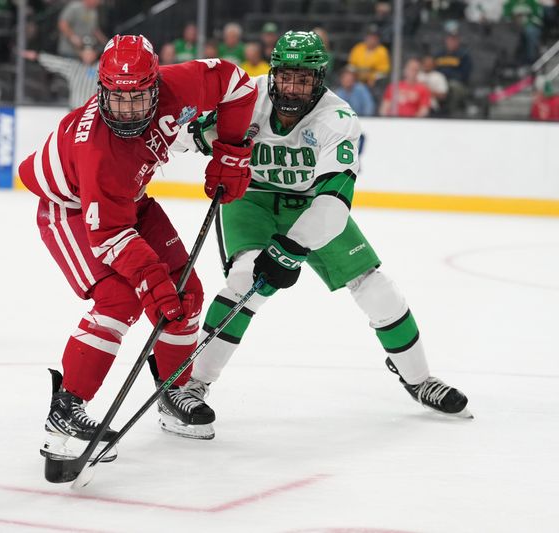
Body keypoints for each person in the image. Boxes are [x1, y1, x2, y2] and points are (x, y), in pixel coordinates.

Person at [164, 31, 471, 439]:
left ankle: (419, 379)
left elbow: (334, 200)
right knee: (245, 280)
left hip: (313, 203)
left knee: (376, 288)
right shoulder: (246, 98)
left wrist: (291, 250)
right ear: (273, 74)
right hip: (251, 198)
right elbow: (182, 136)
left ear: (320, 79)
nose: (292, 88)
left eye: (303, 79)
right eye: (286, 77)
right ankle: (191, 386)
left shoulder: (337, 119)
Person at [18, 35, 257, 457]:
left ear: (156, 86)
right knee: (119, 298)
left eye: (138, 99)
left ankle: (173, 392)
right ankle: (65, 411)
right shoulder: (98, 150)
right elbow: (109, 236)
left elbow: (238, 83)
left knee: (186, 293)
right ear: (102, 91)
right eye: (117, 99)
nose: (127, 111)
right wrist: (152, 284)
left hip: (127, 200)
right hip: (71, 208)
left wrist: (232, 151)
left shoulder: (181, 83)